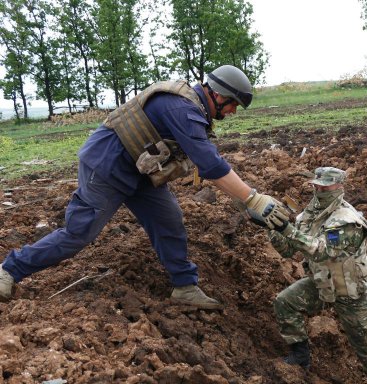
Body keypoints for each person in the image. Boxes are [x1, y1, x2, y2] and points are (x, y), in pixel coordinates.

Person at [0, 65, 289, 309]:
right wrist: (253, 198)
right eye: (233, 105)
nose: (233, 112)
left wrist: (243, 198)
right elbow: (211, 166)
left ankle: (184, 287)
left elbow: (209, 162)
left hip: (140, 172)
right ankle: (10, 269)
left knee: (169, 219)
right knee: (80, 233)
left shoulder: (192, 106)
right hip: (106, 166)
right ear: (218, 95)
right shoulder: (183, 108)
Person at [267, 167, 367, 384]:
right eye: (317, 184)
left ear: (340, 186)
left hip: (349, 291)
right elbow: (288, 249)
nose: (320, 188)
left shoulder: (347, 219)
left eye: (326, 185)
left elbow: (324, 253)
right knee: (285, 302)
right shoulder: (309, 214)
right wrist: (272, 229)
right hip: (321, 282)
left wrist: (287, 229)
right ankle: (300, 356)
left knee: (365, 348)